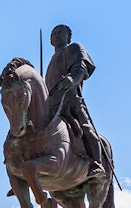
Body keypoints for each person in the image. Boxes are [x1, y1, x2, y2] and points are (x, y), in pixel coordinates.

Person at [45, 24, 105, 177]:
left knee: (85, 128)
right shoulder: (51, 61)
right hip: (51, 106)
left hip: (70, 101)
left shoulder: (73, 48)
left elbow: (80, 69)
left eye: (60, 32)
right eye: (53, 33)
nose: (56, 35)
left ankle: (97, 163)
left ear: (68, 36)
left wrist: (72, 78)